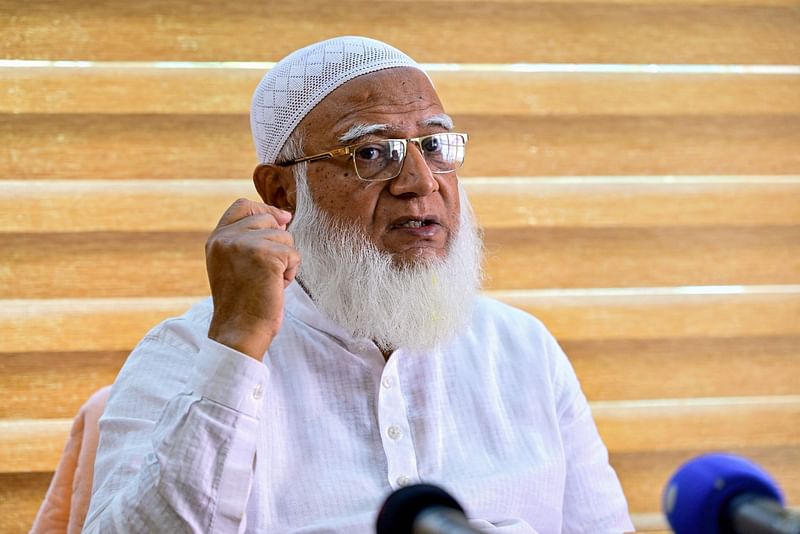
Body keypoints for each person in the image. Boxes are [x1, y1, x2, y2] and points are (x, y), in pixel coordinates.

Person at [84, 36, 633, 533]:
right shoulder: (187, 353)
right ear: (281, 191)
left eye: (436, 146)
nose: (420, 183)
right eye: (371, 153)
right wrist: (237, 344)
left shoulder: (521, 350)